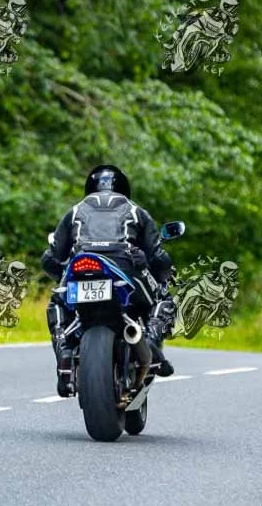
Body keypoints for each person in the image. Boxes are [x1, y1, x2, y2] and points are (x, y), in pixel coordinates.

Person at [41, 165, 177, 396]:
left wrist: (62, 273)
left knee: (56, 303)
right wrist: (158, 269)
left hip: (82, 265)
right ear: (124, 187)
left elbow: (50, 259)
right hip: (124, 266)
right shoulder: (135, 210)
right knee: (163, 298)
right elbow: (158, 258)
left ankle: (64, 351)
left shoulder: (75, 211)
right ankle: (151, 341)